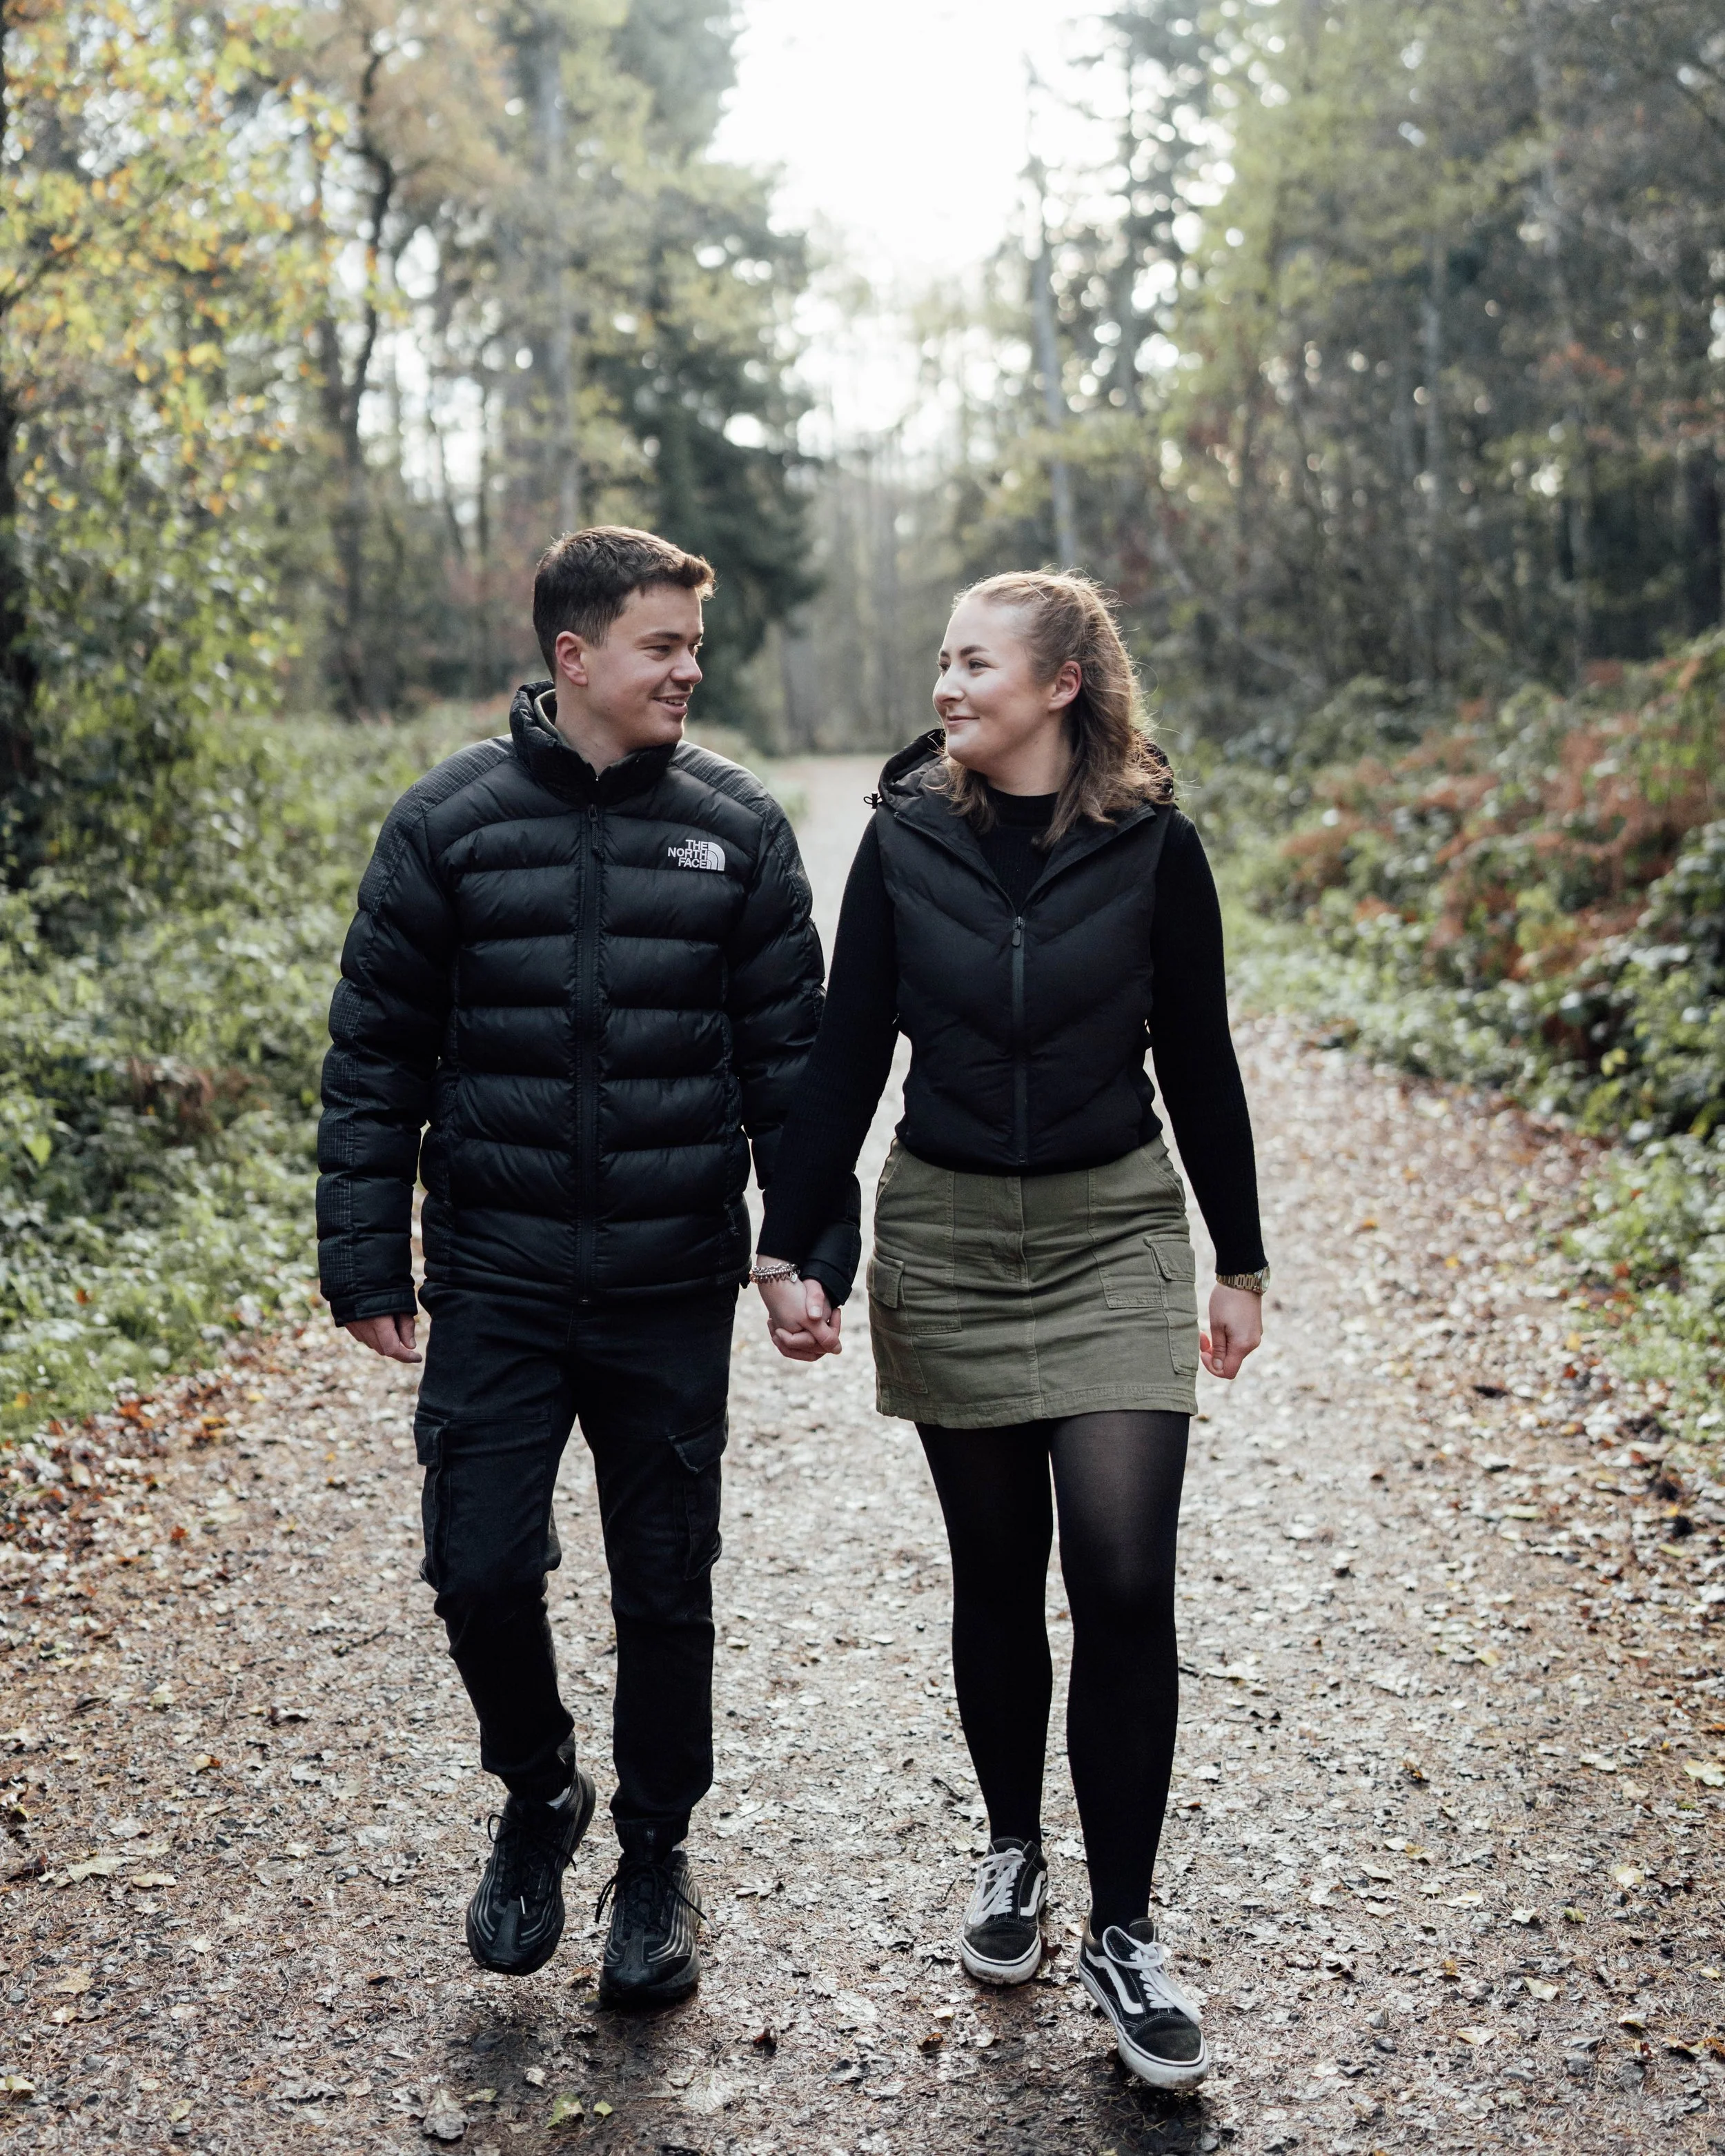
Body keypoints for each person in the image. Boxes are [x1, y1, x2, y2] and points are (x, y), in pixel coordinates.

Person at [315, 525, 856, 2006]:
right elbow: (373, 1057)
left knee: (666, 1583)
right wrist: (367, 1253)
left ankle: (657, 1854)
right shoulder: (446, 824)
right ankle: (539, 1785)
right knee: (476, 1560)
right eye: (662, 644)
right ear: (572, 658)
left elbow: (791, 1068)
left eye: (694, 643)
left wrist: (801, 1247)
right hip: (494, 1274)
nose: (690, 667)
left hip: (667, 1282)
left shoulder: (737, 830)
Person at [753, 571, 1266, 2088]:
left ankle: (1124, 1925)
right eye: (939, 658)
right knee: (996, 1571)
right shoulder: (905, 839)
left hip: (1113, 1226)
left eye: (972, 661)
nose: (944, 682)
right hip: (951, 1233)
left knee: (1119, 1573)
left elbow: (1202, 1053)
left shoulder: (1153, 847)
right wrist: (791, 1242)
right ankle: (1007, 1849)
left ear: (1058, 685)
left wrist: (1239, 1256)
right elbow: (846, 1052)